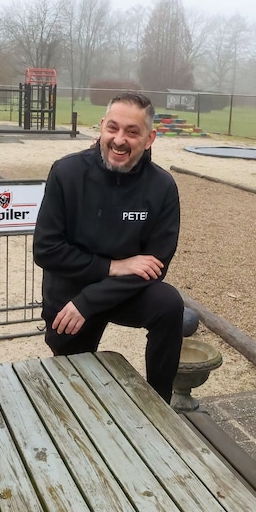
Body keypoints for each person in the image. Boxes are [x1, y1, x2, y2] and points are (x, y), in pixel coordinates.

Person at [32, 92, 184, 402]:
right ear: (101, 127)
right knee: (72, 386)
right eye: (112, 128)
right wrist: (113, 267)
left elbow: (155, 265)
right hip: (71, 291)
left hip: (121, 293)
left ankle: (161, 403)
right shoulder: (67, 172)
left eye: (132, 132)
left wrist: (92, 299)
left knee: (169, 304)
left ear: (150, 138)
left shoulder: (162, 187)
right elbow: (46, 249)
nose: (119, 140)